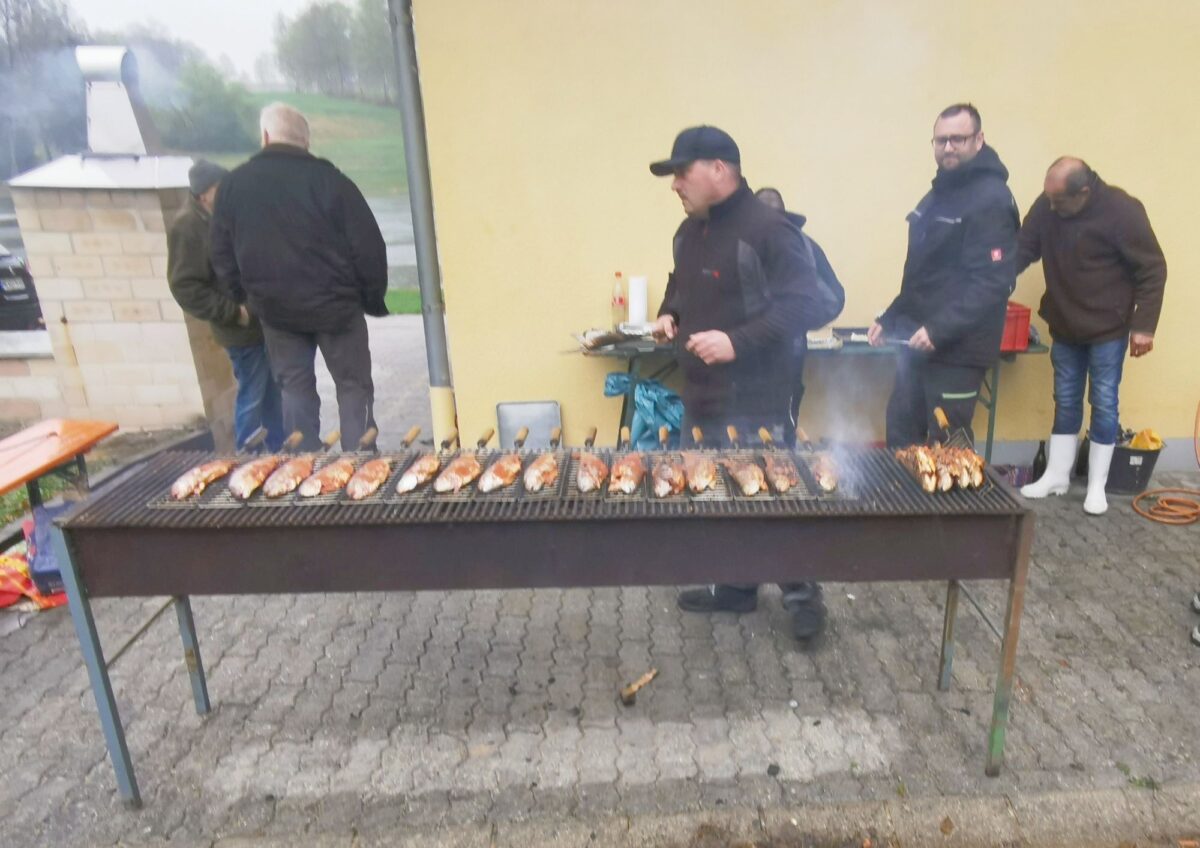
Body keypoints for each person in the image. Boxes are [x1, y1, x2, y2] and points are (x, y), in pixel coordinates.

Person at [648, 125, 827, 641]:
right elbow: (681, 285)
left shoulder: (769, 230)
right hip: (703, 393)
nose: (675, 185)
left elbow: (809, 304)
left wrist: (736, 341)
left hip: (760, 395)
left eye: (681, 172)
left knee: (772, 496)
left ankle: (803, 596)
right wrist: (669, 313)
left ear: (719, 169)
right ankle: (734, 586)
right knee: (715, 495)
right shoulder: (688, 232)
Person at [210, 102, 388, 451]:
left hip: (277, 313)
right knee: (353, 387)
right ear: (306, 141)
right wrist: (369, 297)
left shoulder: (233, 186)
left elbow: (221, 254)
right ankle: (362, 461)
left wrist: (245, 298)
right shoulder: (332, 182)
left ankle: (302, 465)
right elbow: (369, 247)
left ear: (265, 136)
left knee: (294, 389)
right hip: (337, 310)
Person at [1015, 158, 1167, 515]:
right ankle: (1057, 476)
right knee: (1065, 399)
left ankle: (1097, 485)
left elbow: (1153, 269)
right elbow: (1023, 248)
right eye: (1048, 198)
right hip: (1065, 323)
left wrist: (1143, 327)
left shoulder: (1122, 211)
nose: (1051, 207)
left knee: (1104, 401)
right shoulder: (1048, 205)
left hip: (1107, 328)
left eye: (1058, 201)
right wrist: (993, 278)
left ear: (1083, 192)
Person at [868, 103, 1018, 450]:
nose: (948, 147)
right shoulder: (939, 194)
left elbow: (993, 283)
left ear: (979, 140)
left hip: (957, 353)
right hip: (916, 346)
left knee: (946, 448)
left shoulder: (991, 199)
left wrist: (939, 329)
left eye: (957, 139)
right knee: (902, 439)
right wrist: (890, 317)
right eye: (941, 140)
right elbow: (922, 274)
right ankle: (903, 490)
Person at [167, 159, 284, 451]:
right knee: (252, 396)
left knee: (274, 395)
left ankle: (281, 454)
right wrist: (235, 313)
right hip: (240, 329)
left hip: (266, 323)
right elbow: (185, 286)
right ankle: (246, 460)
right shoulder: (188, 227)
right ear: (203, 194)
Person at [754, 187, 843, 439]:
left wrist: (795, 322)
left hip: (784, 356)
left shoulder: (804, 247)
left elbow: (833, 298)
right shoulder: (740, 245)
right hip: (744, 355)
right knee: (748, 436)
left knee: (780, 431)